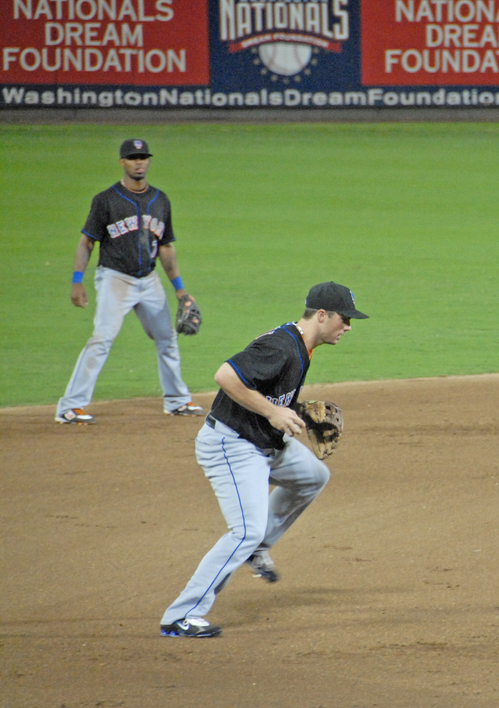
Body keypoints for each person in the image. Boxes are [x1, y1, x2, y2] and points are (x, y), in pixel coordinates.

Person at [160, 281, 368, 638]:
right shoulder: (281, 346)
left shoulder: (303, 346)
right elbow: (225, 376)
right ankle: (181, 615)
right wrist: (273, 413)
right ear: (322, 315)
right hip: (233, 444)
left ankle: (258, 547)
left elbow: (269, 392)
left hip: (264, 443)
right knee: (245, 530)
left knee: (314, 476)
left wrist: (295, 410)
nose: (348, 326)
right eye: (344, 318)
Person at [56, 139, 203, 424]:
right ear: (122, 162)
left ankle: (176, 400)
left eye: (143, 157)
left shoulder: (160, 200)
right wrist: (77, 281)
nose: (139, 162)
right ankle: (69, 407)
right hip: (115, 278)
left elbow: (166, 248)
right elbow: (87, 242)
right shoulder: (106, 200)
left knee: (167, 338)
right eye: (133, 158)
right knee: (102, 339)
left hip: (149, 280)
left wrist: (180, 290)